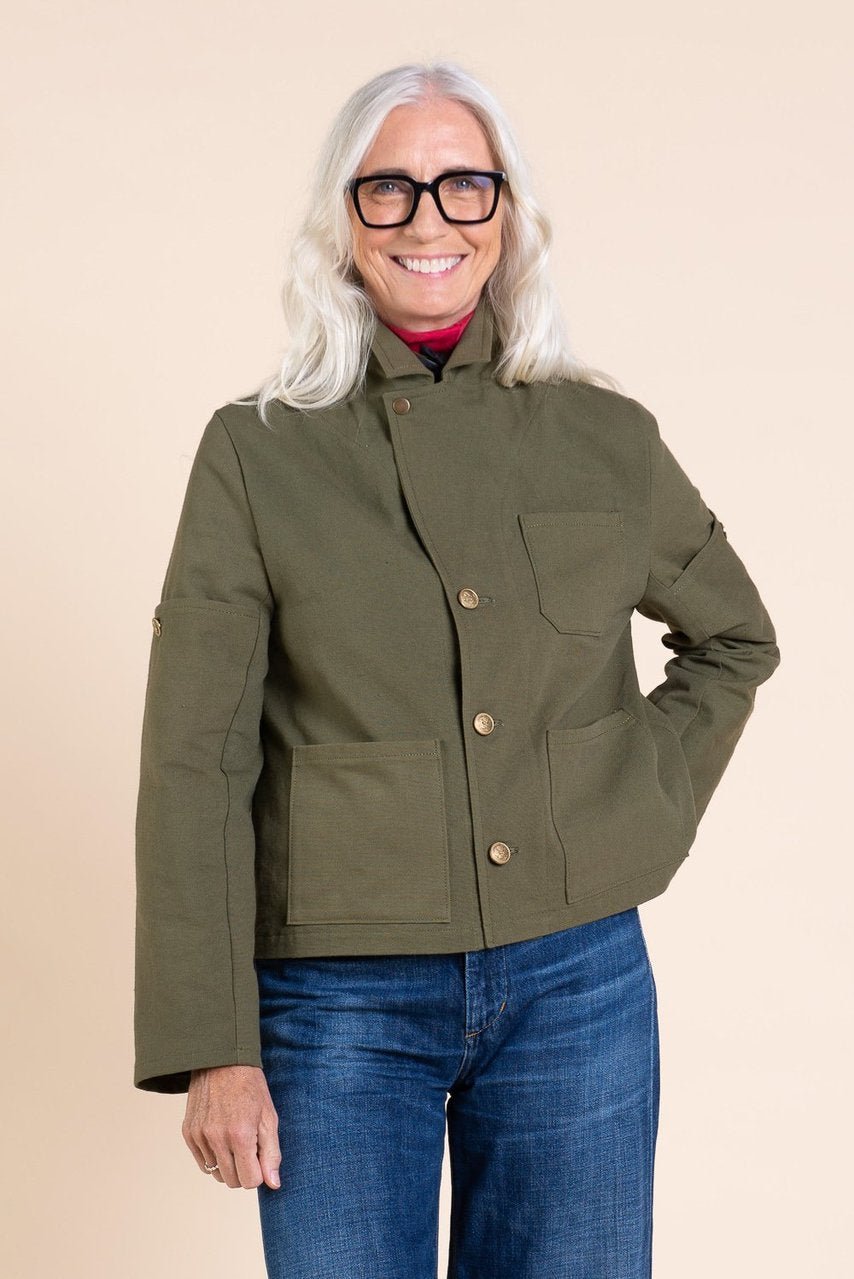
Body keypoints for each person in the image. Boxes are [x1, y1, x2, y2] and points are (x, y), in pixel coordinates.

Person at [133, 60, 781, 1278]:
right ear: (342, 219)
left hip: (577, 983)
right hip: (336, 1001)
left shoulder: (604, 437)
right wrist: (214, 1042)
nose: (427, 219)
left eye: (462, 185)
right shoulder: (255, 454)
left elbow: (734, 638)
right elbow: (194, 759)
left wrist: (627, 805)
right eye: (388, 187)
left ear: (505, 211)